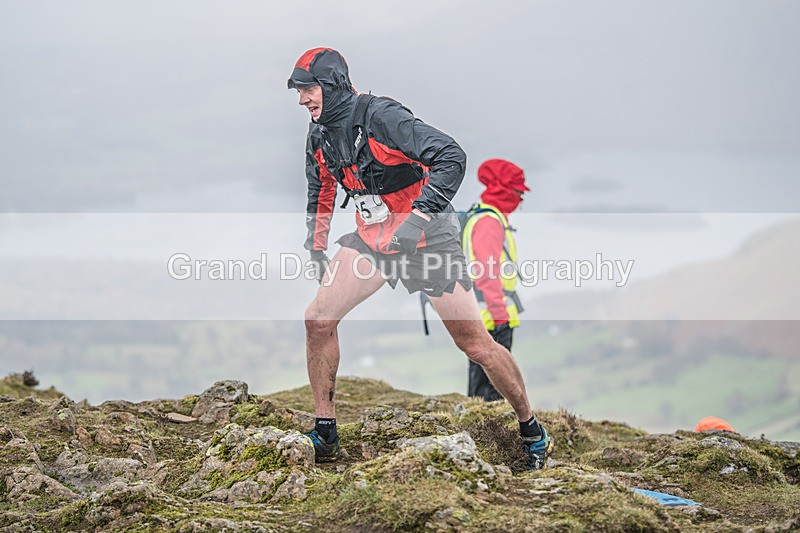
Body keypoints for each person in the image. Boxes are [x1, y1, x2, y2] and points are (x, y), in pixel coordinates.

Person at [287, 47, 553, 469]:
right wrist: (316, 245)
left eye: (309, 89)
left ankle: (531, 429)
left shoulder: (381, 117)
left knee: (475, 345)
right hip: (375, 241)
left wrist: (415, 221)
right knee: (318, 319)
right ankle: (325, 433)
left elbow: (452, 157)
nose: (302, 100)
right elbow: (319, 187)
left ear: (334, 85)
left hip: (429, 240)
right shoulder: (319, 133)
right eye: (298, 92)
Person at [462, 159, 529, 402]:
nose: (521, 199)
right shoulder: (489, 222)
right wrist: (500, 313)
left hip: (486, 312)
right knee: (493, 388)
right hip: (492, 315)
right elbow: (486, 272)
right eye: (519, 192)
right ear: (505, 190)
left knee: (483, 384)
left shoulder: (486, 216)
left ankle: (480, 430)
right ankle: (489, 435)